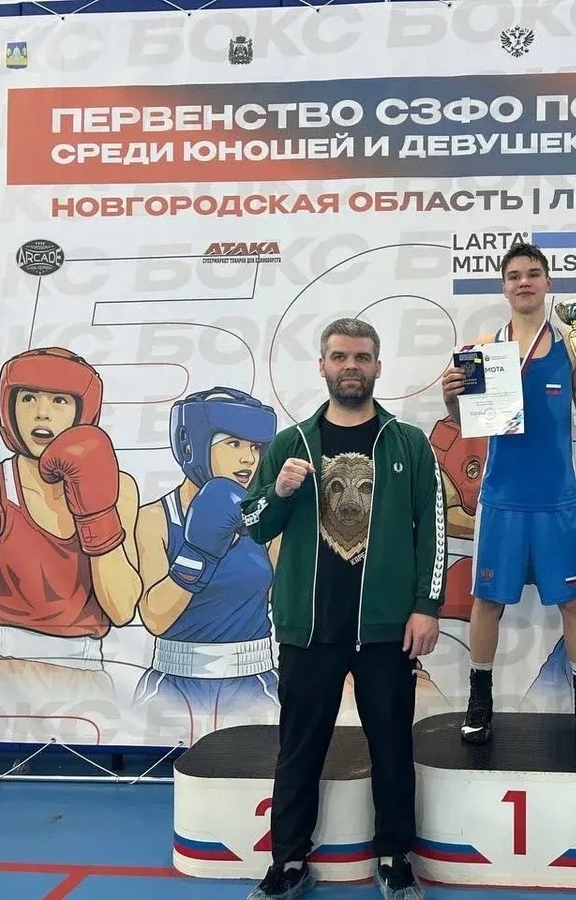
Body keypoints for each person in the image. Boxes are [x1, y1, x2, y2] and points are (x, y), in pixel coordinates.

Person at [239, 318, 446, 900]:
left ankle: (395, 856)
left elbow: (432, 528)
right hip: (309, 627)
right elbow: (253, 524)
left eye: (361, 357)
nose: (350, 366)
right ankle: (287, 861)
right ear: (323, 366)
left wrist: (426, 606)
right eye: (339, 356)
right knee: (299, 749)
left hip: (386, 629)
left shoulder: (408, 443)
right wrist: (278, 492)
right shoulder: (291, 444)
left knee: (392, 747)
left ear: (377, 366)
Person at [0, 347, 142, 739]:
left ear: (82, 411)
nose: (41, 413)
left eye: (59, 400)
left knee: (86, 774)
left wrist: (95, 515)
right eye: (29, 398)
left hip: (84, 670)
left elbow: (121, 609)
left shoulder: (118, 490)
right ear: (9, 407)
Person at [440, 241, 576, 748]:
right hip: (502, 499)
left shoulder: (572, 346)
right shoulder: (484, 348)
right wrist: (451, 396)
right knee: (487, 601)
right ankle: (479, 700)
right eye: (514, 275)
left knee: (573, 602)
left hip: (556, 498)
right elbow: (464, 421)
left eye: (533, 273)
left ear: (548, 282)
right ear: (504, 286)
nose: (524, 282)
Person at [133, 387, 282, 740]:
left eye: (255, 447)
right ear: (193, 446)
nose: (248, 458)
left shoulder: (266, 519)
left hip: (253, 680)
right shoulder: (156, 517)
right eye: (234, 444)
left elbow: (284, 601)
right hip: (173, 681)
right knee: (164, 768)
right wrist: (199, 552)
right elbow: (155, 618)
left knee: (258, 771)